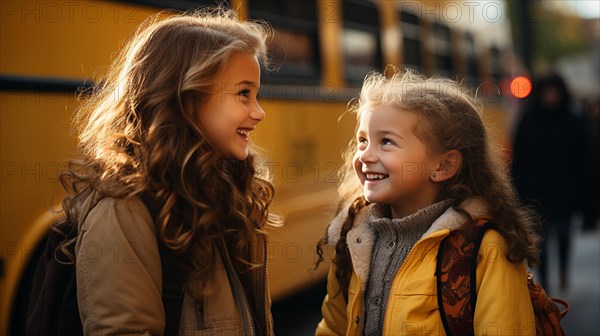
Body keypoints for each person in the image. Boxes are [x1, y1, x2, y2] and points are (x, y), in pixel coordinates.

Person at [54, 8, 278, 335]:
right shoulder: (123, 212)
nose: (259, 113)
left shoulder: (225, 194)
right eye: (244, 93)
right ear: (185, 97)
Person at [314, 68, 541, 335]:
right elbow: (332, 326)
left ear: (444, 165)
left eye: (386, 142)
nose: (364, 155)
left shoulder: (484, 250)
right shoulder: (355, 235)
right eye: (362, 140)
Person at [511, 73, 587, 291]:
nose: (550, 96)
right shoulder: (529, 119)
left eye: (554, 92)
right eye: (547, 91)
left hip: (565, 193)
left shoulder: (573, 120)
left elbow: (583, 159)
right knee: (541, 241)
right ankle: (545, 283)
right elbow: (519, 157)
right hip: (537, 193)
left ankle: (563, 270)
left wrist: (583, 193)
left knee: (563, 235)